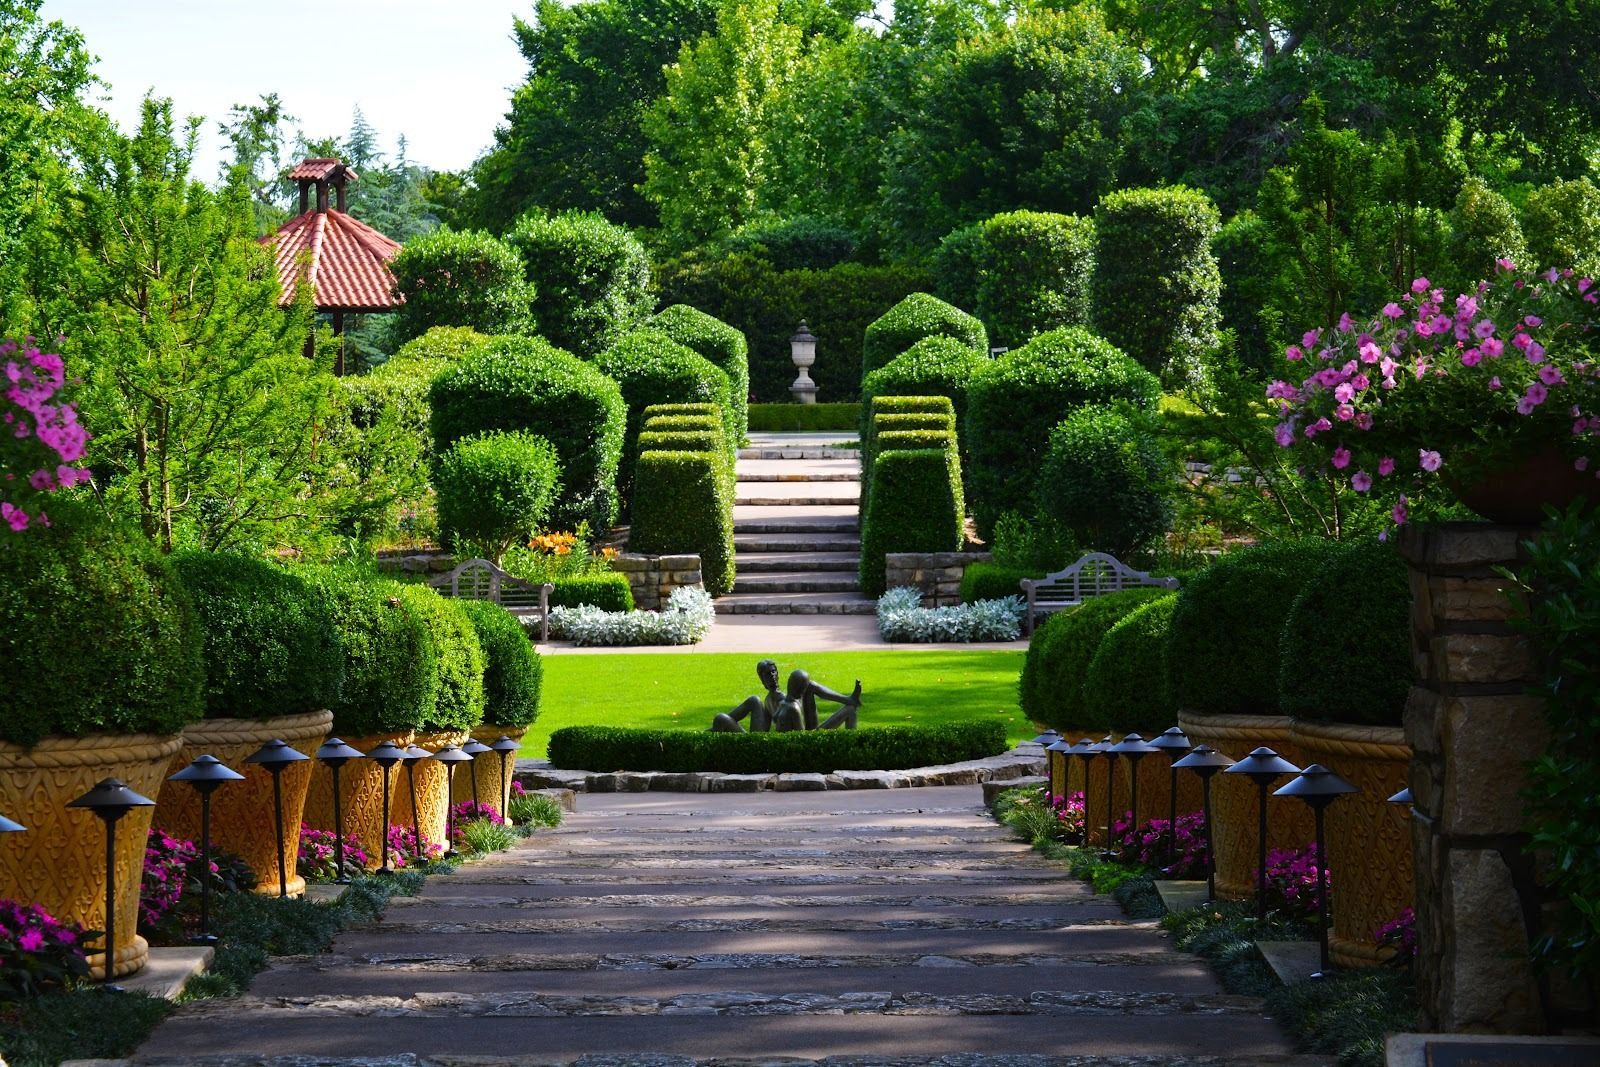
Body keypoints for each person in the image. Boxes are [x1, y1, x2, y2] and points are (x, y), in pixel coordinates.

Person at [710, 659, 781, 732]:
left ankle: (708, 732)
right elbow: (765, 725)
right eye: (767, 674)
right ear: (762, 679)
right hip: (758, 736)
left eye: (773, 671)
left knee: (720, 718)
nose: (772, 675)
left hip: (758, 740)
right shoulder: (768, 699)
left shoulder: (782, 699)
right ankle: (710, 731)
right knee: (754, 700)